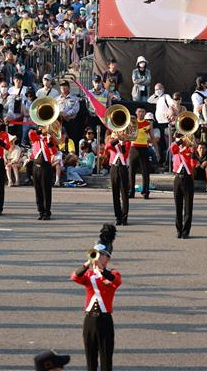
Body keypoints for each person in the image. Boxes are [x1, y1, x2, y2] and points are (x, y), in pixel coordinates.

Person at [71, 224, 121, 371]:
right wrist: (87, 263)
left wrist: (102, 269)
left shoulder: (113, 273)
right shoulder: (88, 274)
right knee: (90, 360)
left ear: (108, 257)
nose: (98, 257)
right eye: (96, 254)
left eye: (101, 254)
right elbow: (74, 276)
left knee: (106, 360)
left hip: (105, 320)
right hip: (89, 320)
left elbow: (115, 281)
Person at [29, 126, 58, 220]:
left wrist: (49, 141)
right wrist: (40, 131)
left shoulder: (49, 139)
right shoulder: (36, 138)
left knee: (46, 191)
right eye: (41, 127)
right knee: (38, 191)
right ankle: (40, 211)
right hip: (36, 167)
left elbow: (54, 152)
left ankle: (47, 212)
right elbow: (31, 134)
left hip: (46, 167)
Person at [171, 134, 194, 239]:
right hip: (177, 178)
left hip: (188, 178)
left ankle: (186, 231)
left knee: (188, 206)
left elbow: (192, 156)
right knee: (178, 206)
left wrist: (188, 142)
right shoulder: (176, 147)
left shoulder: (190, 148)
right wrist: (180, 141)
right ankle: (178, 229)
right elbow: (172, 148)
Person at [128, 107, 154, 199]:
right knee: (131, 171)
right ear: (136, 112)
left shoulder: (148, 124)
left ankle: (145, 192)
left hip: (144, 148)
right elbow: (128, 136)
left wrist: (147, 140)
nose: (141, 113)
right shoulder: (131, 122)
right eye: (139, 111)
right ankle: (131, 191)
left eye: (143, 112)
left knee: (145, 171)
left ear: (145, 113)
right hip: (133, 148)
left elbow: (152, 138)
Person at [106, 133, 131, 226]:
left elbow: (124, 152)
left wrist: (123, 141)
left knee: (124, 194)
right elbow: (108, 147)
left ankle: (124, 217)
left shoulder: (127, 141)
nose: (120, 132)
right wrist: (116, 139)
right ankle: (118, 217)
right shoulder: (111, 140)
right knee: (115, 194)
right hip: (114, 168)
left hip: (123, 168)